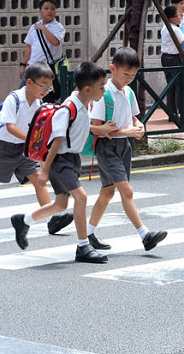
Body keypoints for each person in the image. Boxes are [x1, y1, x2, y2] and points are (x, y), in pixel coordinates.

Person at [9, 60, 122, 262]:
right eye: (101, 87)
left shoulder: (84, 104)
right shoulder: (68, 108)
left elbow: (81, 127)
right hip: (60, 160)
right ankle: (83, 246)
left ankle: (23, 220)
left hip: (71, 159)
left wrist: (101, 130)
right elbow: (57, 140)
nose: (104, 91)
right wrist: (44, 170)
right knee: (81, 197)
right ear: (87, 89)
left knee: (61, 205)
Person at [85, 48, 167, 255]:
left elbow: (133, 118)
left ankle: (88, 233)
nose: (129, 78)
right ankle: (144, 235)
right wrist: (127, 131)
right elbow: (98, 127)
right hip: (107, 148)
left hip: (124, 146)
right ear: (112, 69)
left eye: (133, 75)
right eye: (125, 74)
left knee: (108, 192)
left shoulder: (128, 92)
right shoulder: (104, 95)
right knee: (126, 191)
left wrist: (139, 126)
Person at [0, 62, 59, 232]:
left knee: (38, 180)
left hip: (23, 148)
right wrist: (31, 141)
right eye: (43, 86)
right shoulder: (13, 99)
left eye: (49, 87)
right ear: (29, 83)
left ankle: (52, 218)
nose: (46, 90)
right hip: (2, 146)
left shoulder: (39, 104)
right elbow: (10, 127)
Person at [159, 0, 184, 124]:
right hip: (175, 58)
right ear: (172, 18)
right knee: (179, 86)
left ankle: (172, 112)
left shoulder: (166, 27)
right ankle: (182, 113)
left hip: (165, 57)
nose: (180, 17)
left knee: (171, 85)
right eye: (177, 16)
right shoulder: (175, 28)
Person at [20, 0, 66, 98]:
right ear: (40, 11)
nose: (50, 11)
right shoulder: (34, 27)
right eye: (46, 8)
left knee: (45, 97)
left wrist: (43, 28)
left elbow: (55, 42)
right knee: (23, 95)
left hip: (47, 69)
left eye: (53, 9)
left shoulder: (58, 27)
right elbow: (29, 47)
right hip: (32, 68)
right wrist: (23, 64)